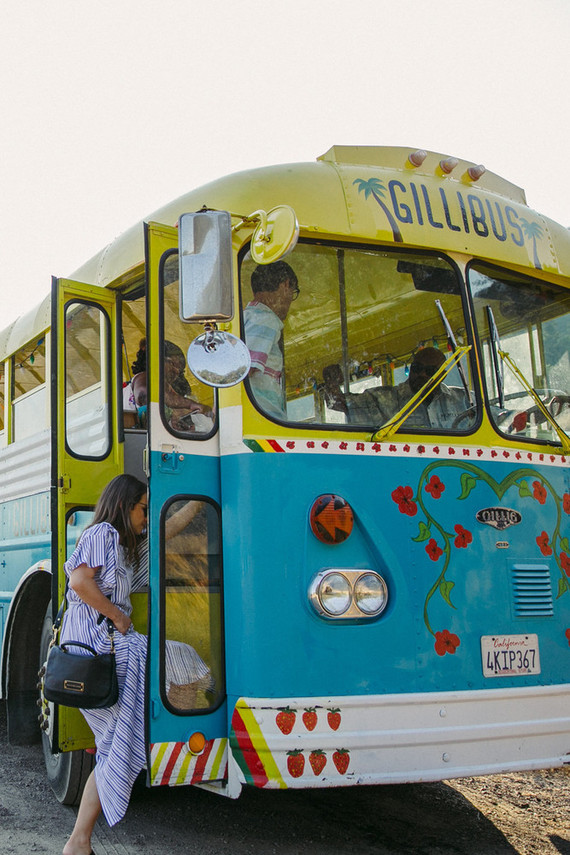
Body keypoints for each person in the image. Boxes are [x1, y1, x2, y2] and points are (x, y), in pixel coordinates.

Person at [61, 475, 212, 855]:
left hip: (105, 649)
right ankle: (77, 842)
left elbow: (168, 527)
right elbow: (80, 581)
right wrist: (117, 615)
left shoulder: (125, 546)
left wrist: (197, 499)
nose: (146, 516)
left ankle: (79, 842)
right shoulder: (102, 535)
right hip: (98, 649)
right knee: (178, 657)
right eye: (143, 508)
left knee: (112, 744)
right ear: (125, 505)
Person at [323, 347, 472, 430]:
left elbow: (494, 420)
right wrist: (331, 382)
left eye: (430, 371)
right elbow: (336, 403)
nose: (421, 374)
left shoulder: (464, 399)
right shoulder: (384, 399)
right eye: (417, 368)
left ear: (442, 376)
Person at [243, 260, 299, 417]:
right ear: (285, 285)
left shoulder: (247, 317)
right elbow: (244, 370)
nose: (289, 302)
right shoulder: (266, 319)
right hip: (263, 416)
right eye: (292, 293)